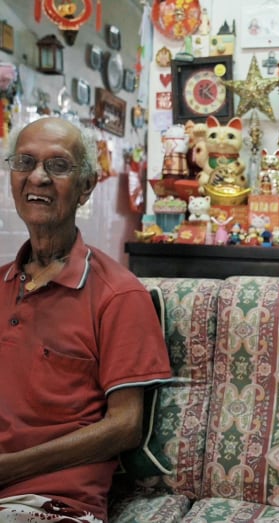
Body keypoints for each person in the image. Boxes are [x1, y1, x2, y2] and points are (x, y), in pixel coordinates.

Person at [0, 117, 171, 522]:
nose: (38, 177)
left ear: (86, 186)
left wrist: (9, 469)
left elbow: (125, 426)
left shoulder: (118, 294)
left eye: (58, 166)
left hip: (49, 505)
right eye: (25, 162)